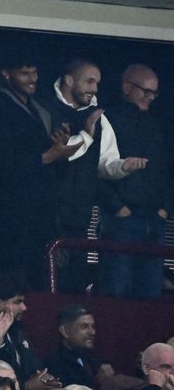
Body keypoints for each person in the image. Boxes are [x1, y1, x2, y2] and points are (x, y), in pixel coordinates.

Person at [0, 49, 79, 289]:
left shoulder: (36, 108)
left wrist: (56, 147)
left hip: (39, 219)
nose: (32, 79)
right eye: (24, 73)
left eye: (35, 72)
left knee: (40, 287)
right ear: (6, 74)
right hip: (9, 223)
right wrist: (47, 156)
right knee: (14, 287)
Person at [48, 58, 146, 294]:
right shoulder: (45, 108)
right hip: (47, 214)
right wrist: (87, 134)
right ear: (70, 80)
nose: (94, 89)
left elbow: (105, 164)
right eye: (89, 81)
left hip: (80, 217)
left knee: (74, 283)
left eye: (97, 83)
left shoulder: (98, 117)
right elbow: (59, 154)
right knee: (48, 285)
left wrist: (123, 167)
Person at [99, 64, 170, 299]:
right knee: (116, 291)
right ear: (127, 87)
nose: (150, 97)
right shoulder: (107, 119)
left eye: (154, 93)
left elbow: (166, 170)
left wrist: (164, 209)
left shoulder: (157, 125)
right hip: (120, 218)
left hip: (154, 218)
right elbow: (96, 169)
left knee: (150, 293)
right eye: (145, 91)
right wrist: (118, 208)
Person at [44, 304, 112, 390]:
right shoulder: (54, 364)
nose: (92, 332)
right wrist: (97, 382)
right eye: (84, 326)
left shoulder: (94, 358)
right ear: (64, 331)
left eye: (93, 326)